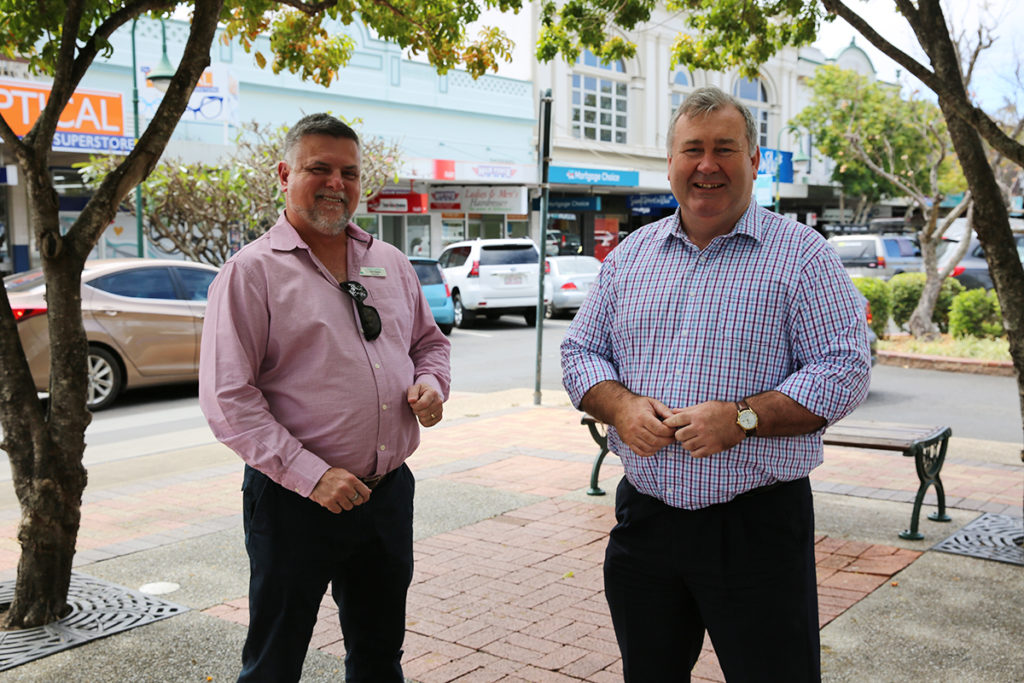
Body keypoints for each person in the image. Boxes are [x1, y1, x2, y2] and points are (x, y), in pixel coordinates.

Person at [560, 86, 871, 681]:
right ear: (670, 163)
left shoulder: (803, 256)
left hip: (756, 529)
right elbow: (580, 352)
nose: (707, 165)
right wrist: (621, 407)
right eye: (692, 149)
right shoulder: (630, 257)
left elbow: (845, 368)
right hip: (646, 523)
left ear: (753, 161)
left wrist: (742, 418)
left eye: (724, 149)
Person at [199, 113, 451, 682]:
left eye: (349, 173)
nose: (337, 183)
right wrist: (312, 476)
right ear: (284, 174)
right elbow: (228, 399)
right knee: (275, 661)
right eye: (320, 168)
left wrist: (432, 385)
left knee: (379, 656)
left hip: (386, 496)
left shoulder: (390, 262)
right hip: (295, 502)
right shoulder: (251, 273)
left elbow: (429, 345)